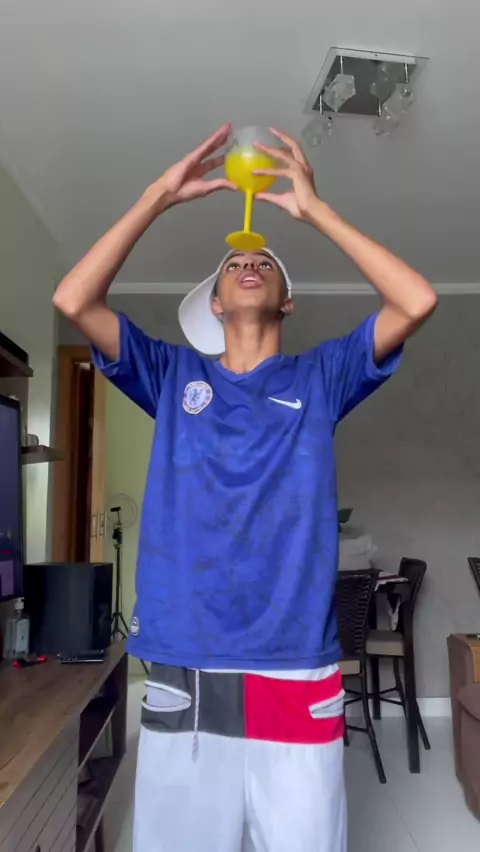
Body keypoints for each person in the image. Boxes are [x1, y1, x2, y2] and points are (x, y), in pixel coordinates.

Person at [53, 123, 437, 852]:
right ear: (215, 305)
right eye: (235, 264)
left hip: (295, 665)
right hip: (188, 658)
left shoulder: (322, 377)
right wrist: (157, 197)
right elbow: (74, 298)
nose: (250, 263)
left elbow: (416, 299)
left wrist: (315, 211)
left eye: (265, 262)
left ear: (288, 302)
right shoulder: (171, 375)